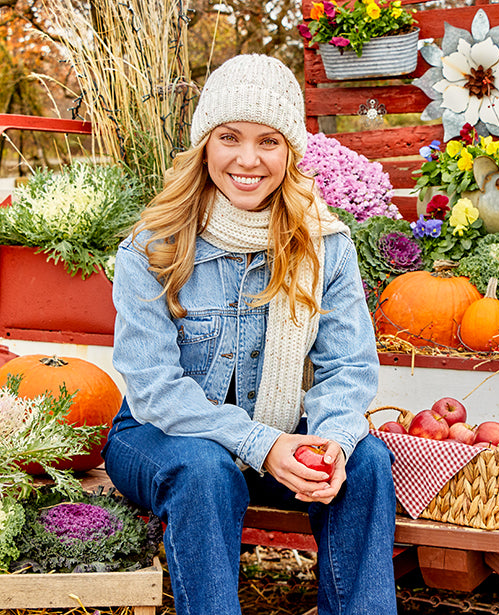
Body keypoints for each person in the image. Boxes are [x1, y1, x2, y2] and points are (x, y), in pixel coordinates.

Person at [102, 54, 398, 615]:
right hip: (158, 435)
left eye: (268, 141)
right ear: (204, 145)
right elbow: (154, 388)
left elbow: (348, 369)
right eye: (229, 137)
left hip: (282, 435)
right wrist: (262, 445)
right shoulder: (152, 248)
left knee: (366, 462)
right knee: (206, 468)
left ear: (290, 152)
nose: (247, 159)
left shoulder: (326, 246)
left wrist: (331, 442)